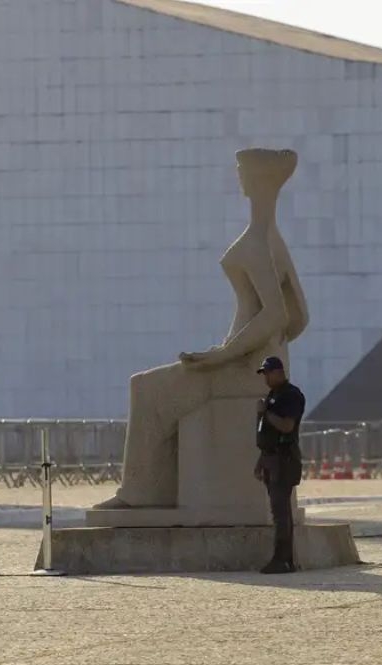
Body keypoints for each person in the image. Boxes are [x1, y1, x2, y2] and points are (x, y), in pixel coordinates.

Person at [94, 148, 308, 509]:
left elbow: (275, 313)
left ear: (256, 179)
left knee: (145, 389)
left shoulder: (255, 242)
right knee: (156, 386)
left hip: (242, 368)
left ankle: (139, 494)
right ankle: (155, 491)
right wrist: (273, 347)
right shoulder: (275, 240)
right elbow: (298, 316)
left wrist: (225, 355)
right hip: (257, 362)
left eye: (241, 170)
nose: (238, 176)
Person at [254, 355, 305, 574]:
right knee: (278, 511)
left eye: (268, 373)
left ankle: (282, 559)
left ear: (279, 372)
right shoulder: (273, 395)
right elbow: (268, 435)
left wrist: (265, 412)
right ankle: (284, 559)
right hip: (271, 458)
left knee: (281, 512)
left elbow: (286, 426)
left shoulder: (291, 395)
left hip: (283, 459)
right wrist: (261, 460)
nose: (265, 378)